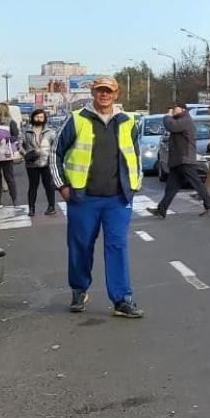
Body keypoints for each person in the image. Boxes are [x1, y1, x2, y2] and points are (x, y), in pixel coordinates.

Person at [50, 76, 144, 318]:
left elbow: (136, 155)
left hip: (118, 198)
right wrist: (62, 186)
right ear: (93, 93)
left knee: (117, 246)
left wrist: (135, 185)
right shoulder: (77, 119)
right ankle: (79, 290)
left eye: (108, 91)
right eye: (100, 91)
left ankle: (122, 299)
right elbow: (55, 154)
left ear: (116, 94)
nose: (104, 95)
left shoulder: (128, 121)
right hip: (84, 198)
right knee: (80, 246)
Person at [151, 102, 210, 217]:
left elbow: (171, 126)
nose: (173, 110)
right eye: (172, 108)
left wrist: (167, 116)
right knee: (171, 187)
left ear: (183, 109)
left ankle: (209, 205)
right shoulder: (179, 120)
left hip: (184, 158)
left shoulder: (185, 120)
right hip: (178, 159)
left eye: (175, 108)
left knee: (196, 182)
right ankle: (162, 209)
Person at [23, 108, 58, 216]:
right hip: (31, 164)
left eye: (41, 117)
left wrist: (53, 159)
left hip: (46, 163)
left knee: (49, 186)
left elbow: (55, 147)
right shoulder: (27, 132)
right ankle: (31, 208)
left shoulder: (50, 132)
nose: (39, 119)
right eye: (37, 116)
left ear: (45, 119)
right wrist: (26, 154)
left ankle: (51, 207)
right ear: (33, 117)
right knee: (33, 186)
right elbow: (20, 145)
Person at [0, 103, 21, 210]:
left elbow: (16, 136)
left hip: (5, 153)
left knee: (9, 177)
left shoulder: (10, 122)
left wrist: (6, 139)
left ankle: (14, 199)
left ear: (1, 111)